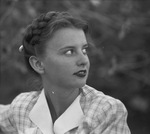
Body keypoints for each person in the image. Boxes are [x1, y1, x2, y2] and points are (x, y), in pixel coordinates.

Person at [0, 11, 131, 134]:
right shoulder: (22, 107)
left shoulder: (107, 112)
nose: (83, 60)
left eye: (84, 50)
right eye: (69, 52)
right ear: (38, 64)